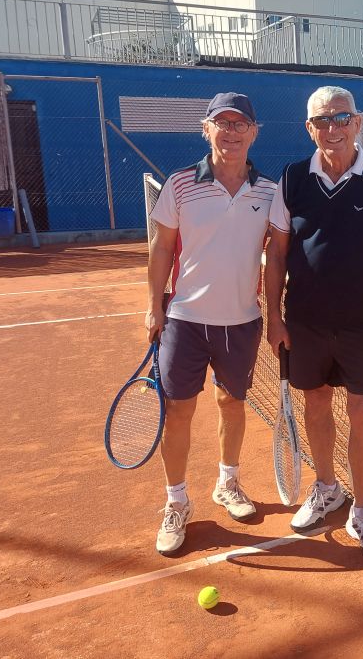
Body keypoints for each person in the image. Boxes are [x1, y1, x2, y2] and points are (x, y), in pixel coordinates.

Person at [265, 85, 363, 563]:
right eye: (322, 121)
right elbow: (277, 254)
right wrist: (274, 317)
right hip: (304, 324)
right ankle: (327, 487)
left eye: (341, 118)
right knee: (316, 405)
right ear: (309, 128)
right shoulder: (291, 178)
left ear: (357, 122)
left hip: (358, 327)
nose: (333, 128)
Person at [147, 92, 277, 556]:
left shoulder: (270, 192)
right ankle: (177, 502)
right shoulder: (180, 184)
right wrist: (154, 306)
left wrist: (279, 313)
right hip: (184, 320)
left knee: (232, 404)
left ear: (254, 133)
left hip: (241, 322)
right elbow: (162, 246)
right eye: (222, 123)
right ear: (207, 130)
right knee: (178, 411)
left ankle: (228, 481)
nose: (231, 132)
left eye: (241, 124)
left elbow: (280, 255)